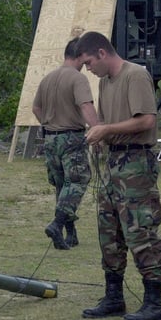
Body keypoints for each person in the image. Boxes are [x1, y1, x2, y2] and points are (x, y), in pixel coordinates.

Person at [74, 31, 161, 320]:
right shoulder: (104, 82)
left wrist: (107, 130)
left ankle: (153, 302)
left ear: (102, 53)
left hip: (136, 163)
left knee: (139, 229)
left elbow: (147, 120)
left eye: (89, 62)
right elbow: (108, 123)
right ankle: (114, 296)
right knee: (109, 231)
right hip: (112, 162)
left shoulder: (135, 75)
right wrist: (100, 134)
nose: (88, 69)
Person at [32, 39, 99, 250]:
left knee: (62, 186)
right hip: (71, 137)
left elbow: (36, 108)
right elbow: (86, 106)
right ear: (80, 55)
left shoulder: (48, 78)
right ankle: (57, 224)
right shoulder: (77, 79)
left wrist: (48, 123)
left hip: (50, 138)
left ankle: (70, 235)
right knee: (78, 181)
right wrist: (99, 131)